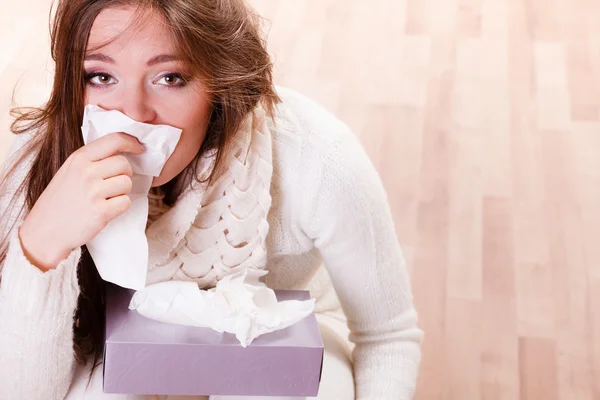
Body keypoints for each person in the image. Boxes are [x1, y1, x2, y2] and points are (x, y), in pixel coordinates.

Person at [0, 0, 423, 399]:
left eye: (170, 78)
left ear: (219, 86)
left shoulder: (314, 156)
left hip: (281, 334)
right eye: (101, 76)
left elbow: (388, 336)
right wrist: (40, 246)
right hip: (121, 346)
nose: (134, 113)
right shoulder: (45, 164)